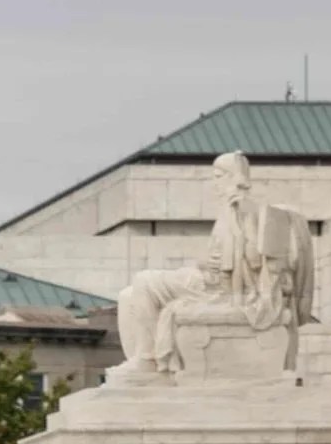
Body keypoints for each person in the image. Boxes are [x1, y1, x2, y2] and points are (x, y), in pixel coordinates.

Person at [114, 152, 310, 375]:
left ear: (232, 177)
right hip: (209, 277)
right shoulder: (230, 210)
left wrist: (235, 241)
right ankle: (142, 360)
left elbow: (258, 261)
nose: (215, 183)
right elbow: (216, 255)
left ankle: (148, 360)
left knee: (144, 280)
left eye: (218, 176)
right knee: (128, 296)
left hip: (220, 288)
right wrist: (207, 261)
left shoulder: (246, 210)